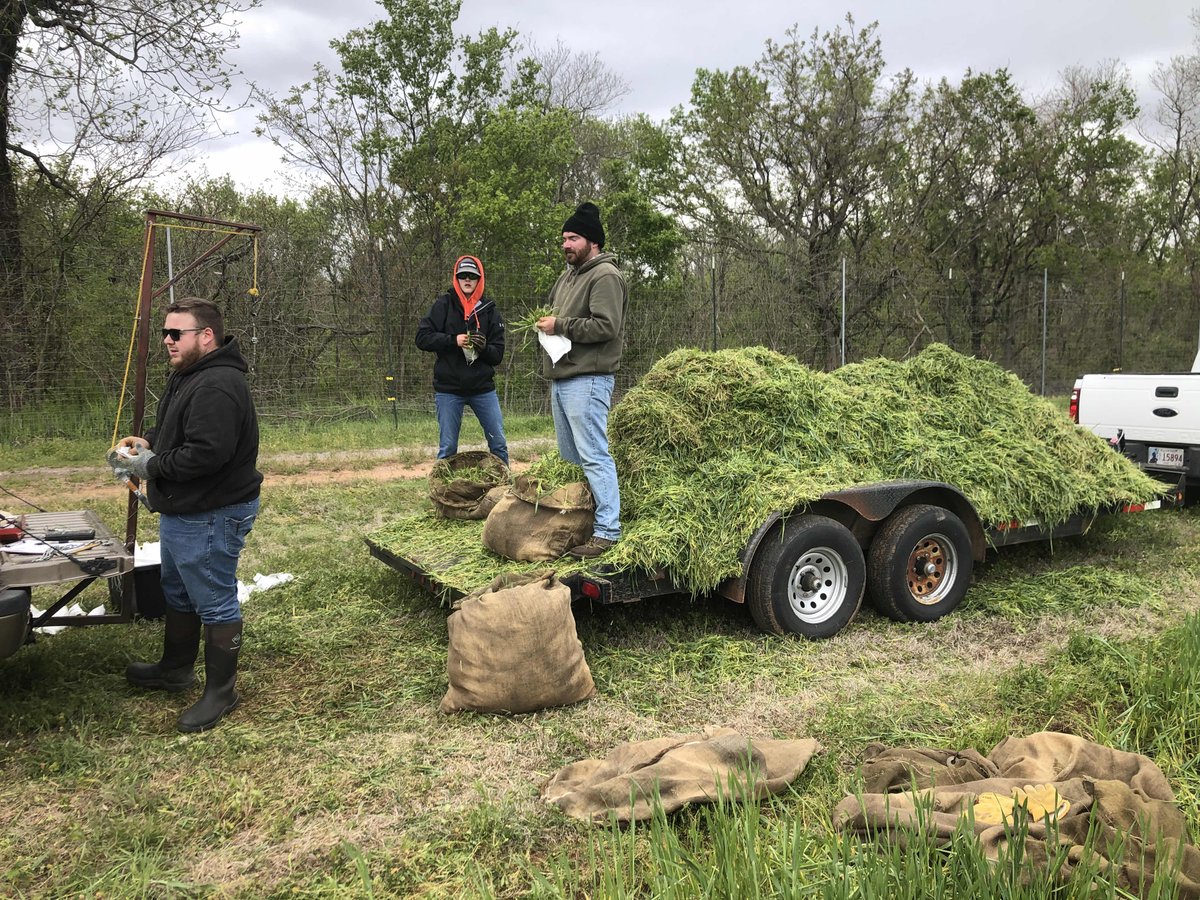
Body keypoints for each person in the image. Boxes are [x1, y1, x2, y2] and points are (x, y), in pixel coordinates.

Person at [110, 297, 261, 733]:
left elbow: (207, 454)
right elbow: (179, 430)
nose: (167, 341)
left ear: (206, 336)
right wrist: (148, 442)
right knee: (177, 590)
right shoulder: (190, 374)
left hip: (213, 511)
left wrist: (151, 466)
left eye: (176, 333)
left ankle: (222, 692)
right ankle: (175, 669)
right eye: (165, 333)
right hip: (186, 508)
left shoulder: (217, 385)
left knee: (213, 599)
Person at [536, 203, 628, 559]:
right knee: (572, 456)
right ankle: (584, 521)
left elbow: (606, 326)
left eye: (573, 238)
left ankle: (608, 531)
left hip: (588, 379)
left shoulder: (605, 275)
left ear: (593, 241)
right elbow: (557, 316)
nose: (566, 245)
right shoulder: (568, 277)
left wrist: (559, 326)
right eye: (564, 239)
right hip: (562, 377)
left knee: (593, 455)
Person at [415, 255, 509, 465]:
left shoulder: (490, 311)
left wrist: (483, 347)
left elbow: (497, 355)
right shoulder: (443, 304)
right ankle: (442, 485)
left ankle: (505, 483)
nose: (467, 279)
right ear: (456, 278)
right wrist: (453, 340)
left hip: (482, 388)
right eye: (463, 275)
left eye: (472, 276)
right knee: (448, 448)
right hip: (449, 388)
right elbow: (422, 338)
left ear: (479, 279)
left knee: (498, 443)